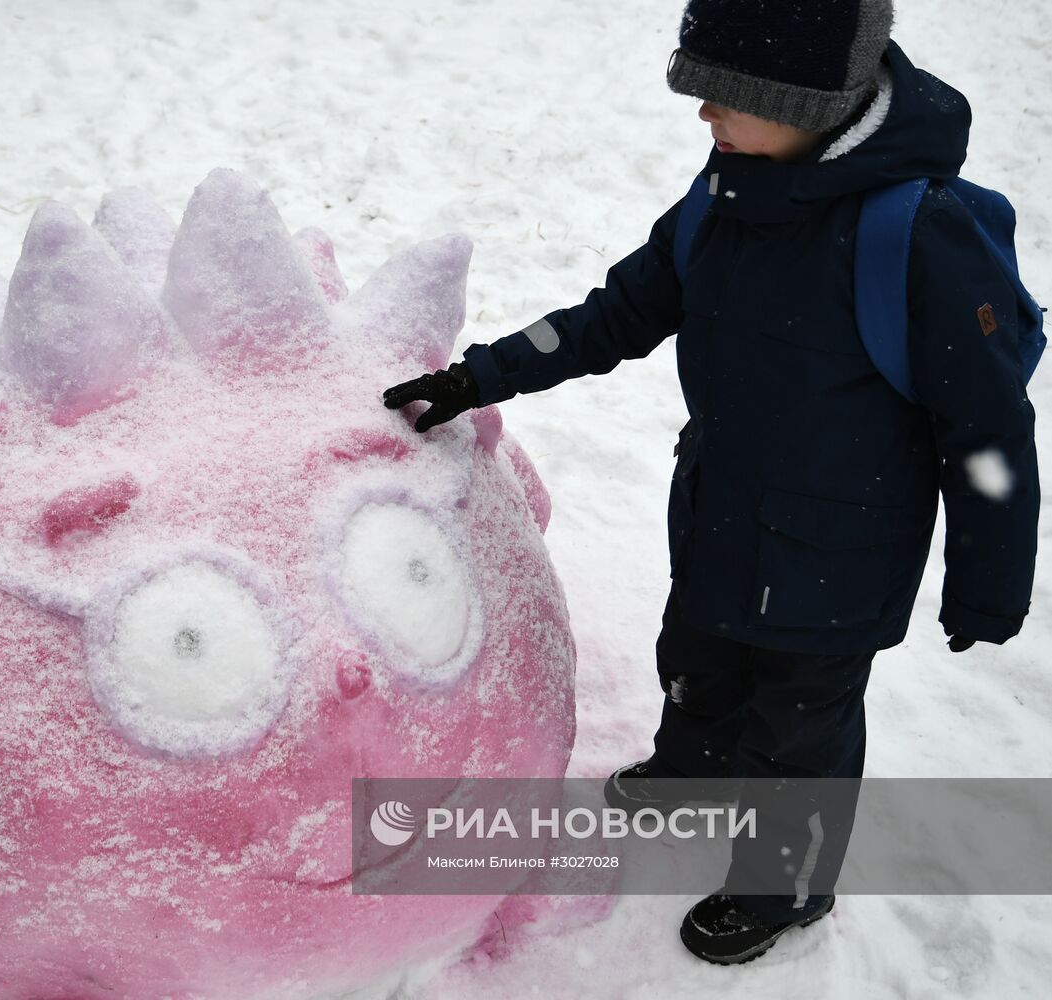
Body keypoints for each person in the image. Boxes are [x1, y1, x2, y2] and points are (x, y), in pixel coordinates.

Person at [382, 0, 1039, 966]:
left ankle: (785, 883)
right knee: (696, 663)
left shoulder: (917, 232)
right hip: (721, 512)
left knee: (797, 732)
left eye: (722, 98)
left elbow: (985, 431)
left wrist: (988, 581)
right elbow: (618, 311)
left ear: (801, 102)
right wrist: (478, 375)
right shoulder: (727, 192)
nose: (701, 118)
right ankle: (690, 774)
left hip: (838, 556)